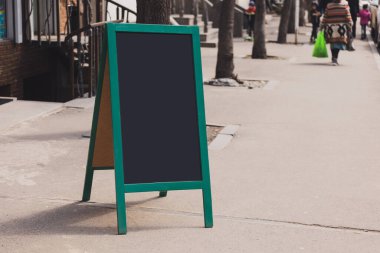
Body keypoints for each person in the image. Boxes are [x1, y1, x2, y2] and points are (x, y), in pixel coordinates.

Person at [320, 0, 353, 65]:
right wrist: (350, 25)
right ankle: (335, 58)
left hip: (331, 28)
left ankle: (333, 57)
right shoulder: (344, 6)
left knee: (333, 43)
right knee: (338, 43)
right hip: (341, 29)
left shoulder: (329, 6)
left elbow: (325, 17)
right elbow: (348, 17)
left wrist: (322, 26)